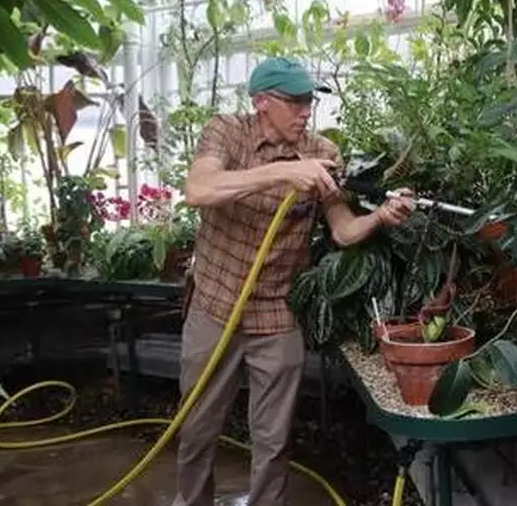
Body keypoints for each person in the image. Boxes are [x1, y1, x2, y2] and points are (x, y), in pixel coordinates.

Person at [174, 56, 414, 506]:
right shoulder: (226, 131)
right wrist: (285, 170)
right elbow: (198, 189)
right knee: (197, 427)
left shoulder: (322, 152)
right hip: (215, 306)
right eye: (295, 101)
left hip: (277, 313)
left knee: (274, 437)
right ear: (262, 102)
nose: (306, 111)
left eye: (309, 101)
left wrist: (381, 216)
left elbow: (343, 230)